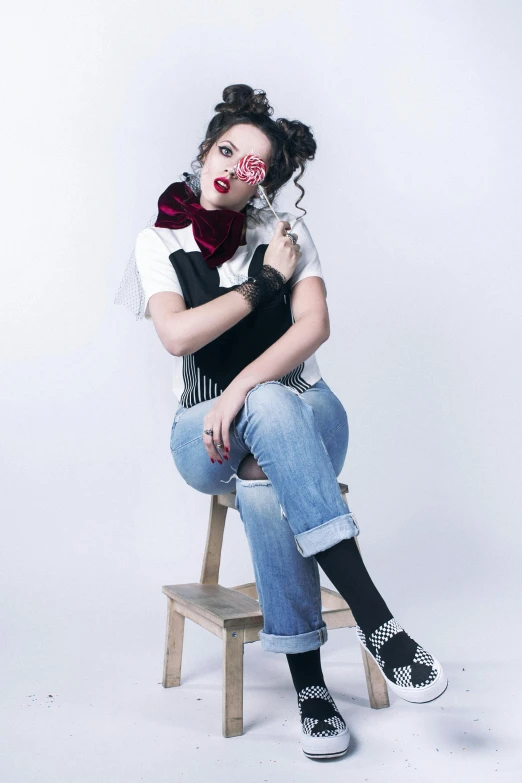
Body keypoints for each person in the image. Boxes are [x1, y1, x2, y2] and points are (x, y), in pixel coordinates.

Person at [115, 84, 448, 760]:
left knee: (267, 427)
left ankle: (311, 688)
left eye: (254, 165)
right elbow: (177, 334)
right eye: (227, 149)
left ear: (266, 183)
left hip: (308, 411)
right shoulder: (161, 239)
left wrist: (241, 385)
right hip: (203, 430)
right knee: (255, 449)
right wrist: (261, 286)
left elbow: (315, 325)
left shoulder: (285, 235)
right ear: (206, 147)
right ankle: (378, 627)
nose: (234, 167)